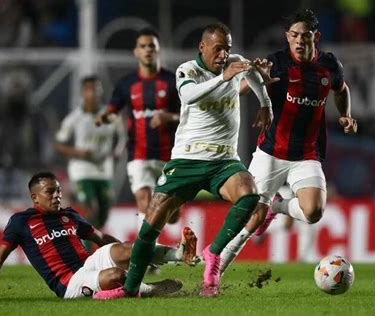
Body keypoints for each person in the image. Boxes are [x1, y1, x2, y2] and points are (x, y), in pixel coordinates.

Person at [93, 22, 274, 300]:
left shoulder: (235, 63)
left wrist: (266, 105)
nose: (224, 55)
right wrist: (224, 77)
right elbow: (188, 95)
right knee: (150, 224)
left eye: (227, 49)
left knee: (250, 196)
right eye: (218, 49)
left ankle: (213, 252)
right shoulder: (187, 70)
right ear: (202, 47)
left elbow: (255, 77)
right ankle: (130, 289)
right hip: (186, 160)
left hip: (223, 160)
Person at [219, 8, 358, 274]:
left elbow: (341, 89)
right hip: (271, 151)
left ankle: (277, 205)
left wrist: (345, 115)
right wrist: (257, 76)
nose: (299, 41)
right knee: (250, 217)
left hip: (306, 154)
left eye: (305, 36)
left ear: (315, 36)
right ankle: (215, 272)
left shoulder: (329, 65)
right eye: (294, 35)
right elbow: (242, 90)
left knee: (313, 213)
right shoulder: (278, 62)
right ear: (287, 36)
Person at [0, 171, 198, 300]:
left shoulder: (70, 215)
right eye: (50, 192)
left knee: (127, 247)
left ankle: (179, 253)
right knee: (116, 275)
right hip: (69, 282)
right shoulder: (21, 222)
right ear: (35, 197)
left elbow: (100, 238)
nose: (57, 196)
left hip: (89, 263)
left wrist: (136, 254)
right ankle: (150, 289)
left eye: (59, 191)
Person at [95, 28, 181, 230]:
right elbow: (114, 109)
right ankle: (147, 252)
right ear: (136, 51)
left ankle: (156, 232)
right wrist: (106, 116)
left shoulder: (171, 81)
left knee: (173, 216)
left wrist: (168, 116)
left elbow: (188, 114)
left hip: (169, 154)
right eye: (143, 46)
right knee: (144, 201)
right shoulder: (127, 84)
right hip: (138, 152)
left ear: (159, 50)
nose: (148, 50)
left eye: (152, 45)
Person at [55, 75, 125, 250]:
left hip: (104, 171)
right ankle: (86, 255)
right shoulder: (74, 118)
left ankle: (83, 240)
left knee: (103, 214)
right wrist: (77, 152)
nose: (93, 93)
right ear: (83, 93)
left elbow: (122, 137)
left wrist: (116, 153)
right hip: (82, 170)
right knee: (91, 209)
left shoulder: (110, 116)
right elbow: (59, 144)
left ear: (101, 91)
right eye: (89, 89)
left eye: (96, 89)